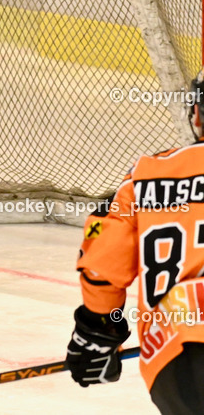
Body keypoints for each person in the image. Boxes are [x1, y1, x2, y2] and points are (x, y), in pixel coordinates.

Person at [65, 73, 204, 413]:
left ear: (197, 115)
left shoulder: (146, 174)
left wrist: (98, 331)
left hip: (175, 358)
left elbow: (102, 263)